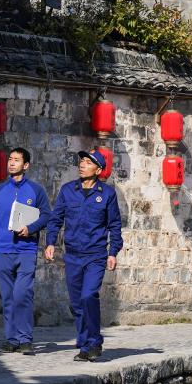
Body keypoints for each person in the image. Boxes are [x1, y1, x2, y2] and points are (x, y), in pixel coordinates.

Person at [45, 149, 123, 362]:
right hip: (73, 255)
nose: (82, 165)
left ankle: (93, 342)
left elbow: (114, 225)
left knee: (89, 296)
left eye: (88, 162)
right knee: (77, 303)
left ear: (98, 170)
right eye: (82, 161)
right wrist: (50, 242)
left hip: (95, 255)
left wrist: (113, 252)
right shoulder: (68, 190)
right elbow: (56, 219)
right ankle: (85, 341)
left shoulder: (107, 194)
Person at [0, 148, 51, 355]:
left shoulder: (36, 190)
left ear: (25, 165)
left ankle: (25, 338)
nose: (11, 163)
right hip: (3, 250)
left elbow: (47, 215)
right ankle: (12, 339)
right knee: (8, 296)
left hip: (26, 250)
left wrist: (31, 228)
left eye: (16, 160)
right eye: (10, 159)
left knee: (22, 294)